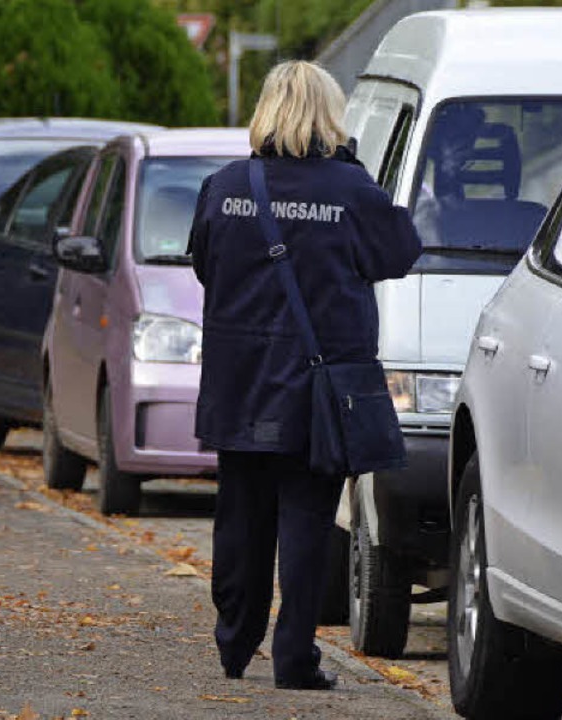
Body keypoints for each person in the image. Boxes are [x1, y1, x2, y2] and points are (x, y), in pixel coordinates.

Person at [187, 60, 422, 690]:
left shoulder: (224, 186)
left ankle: (234, 642)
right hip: (320, 390)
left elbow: (205, 266)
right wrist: (351, 171)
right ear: (329, 115)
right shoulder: (352, 191)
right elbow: (400, 253)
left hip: (240, 380)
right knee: (308, 522)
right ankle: (294, 658)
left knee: (240, 516)